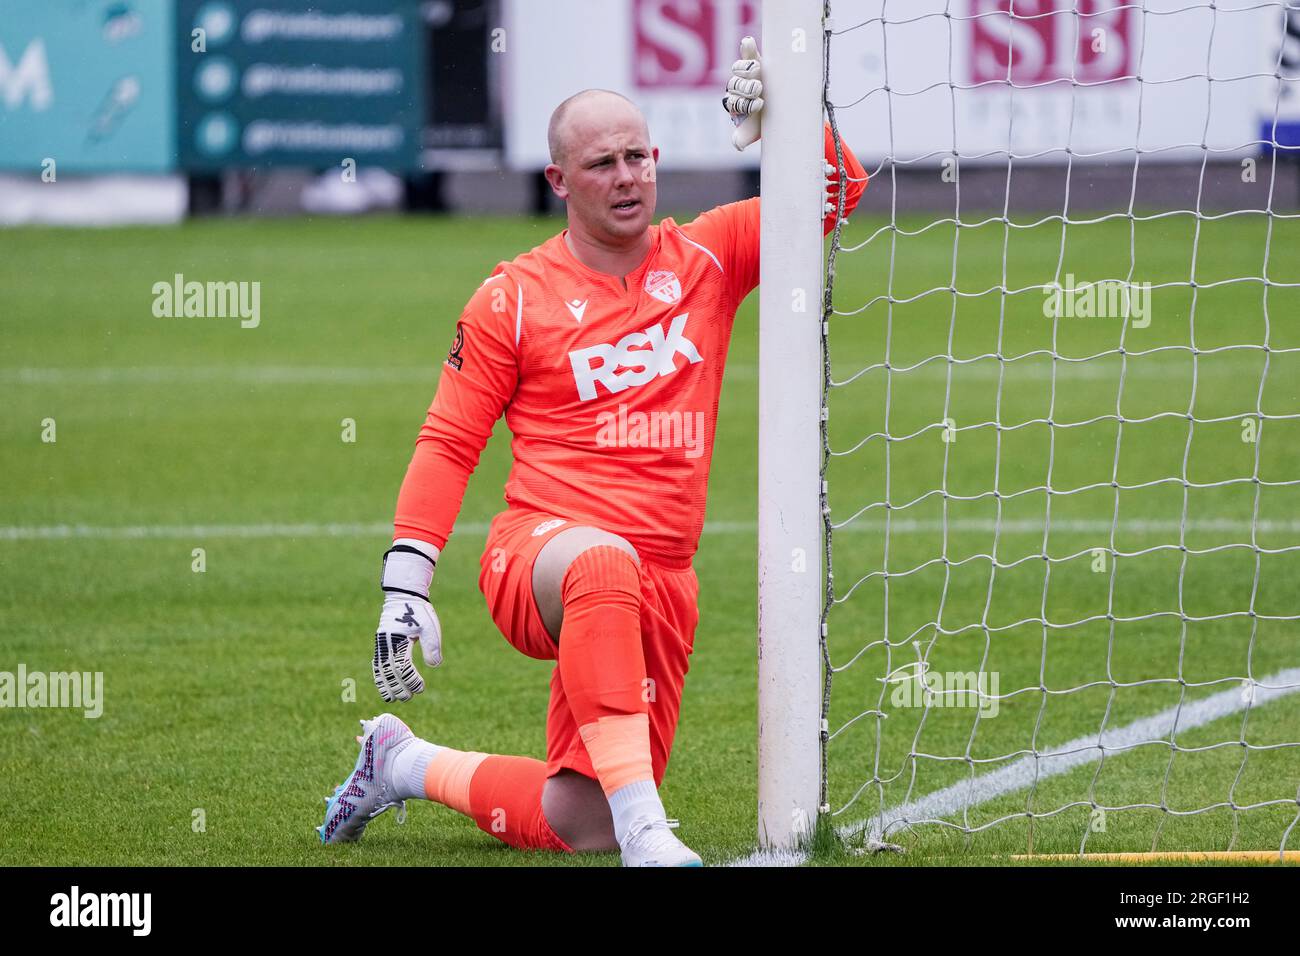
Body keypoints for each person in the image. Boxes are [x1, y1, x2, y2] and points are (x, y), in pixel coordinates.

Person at [319, 39, 868, 866]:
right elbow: (448, 441)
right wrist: (406, 587)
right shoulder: (511, 297)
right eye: (603, 162)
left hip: (662, 584)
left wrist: (786, 128)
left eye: (638, 157)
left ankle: (402, 763)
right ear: (559, 181)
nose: (626, 176)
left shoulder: (708, 259)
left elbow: (839, 192)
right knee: (603, 565)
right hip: (538, 558)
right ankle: (651, 833)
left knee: (579, 823)